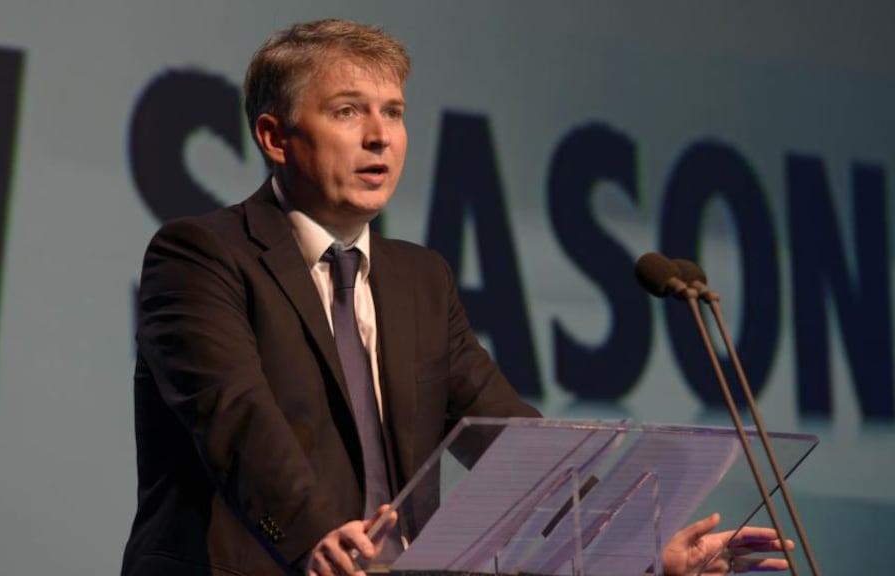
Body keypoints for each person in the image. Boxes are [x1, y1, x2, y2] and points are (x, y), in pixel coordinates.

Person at [121, 19, 793, 576]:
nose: (380, 136)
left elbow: (511, 441)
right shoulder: (202, 255)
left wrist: (636, 547)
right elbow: (235, 417)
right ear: (274, 137)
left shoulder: (420, 279)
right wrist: (315, 535)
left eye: (394, 113)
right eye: (348, 111)